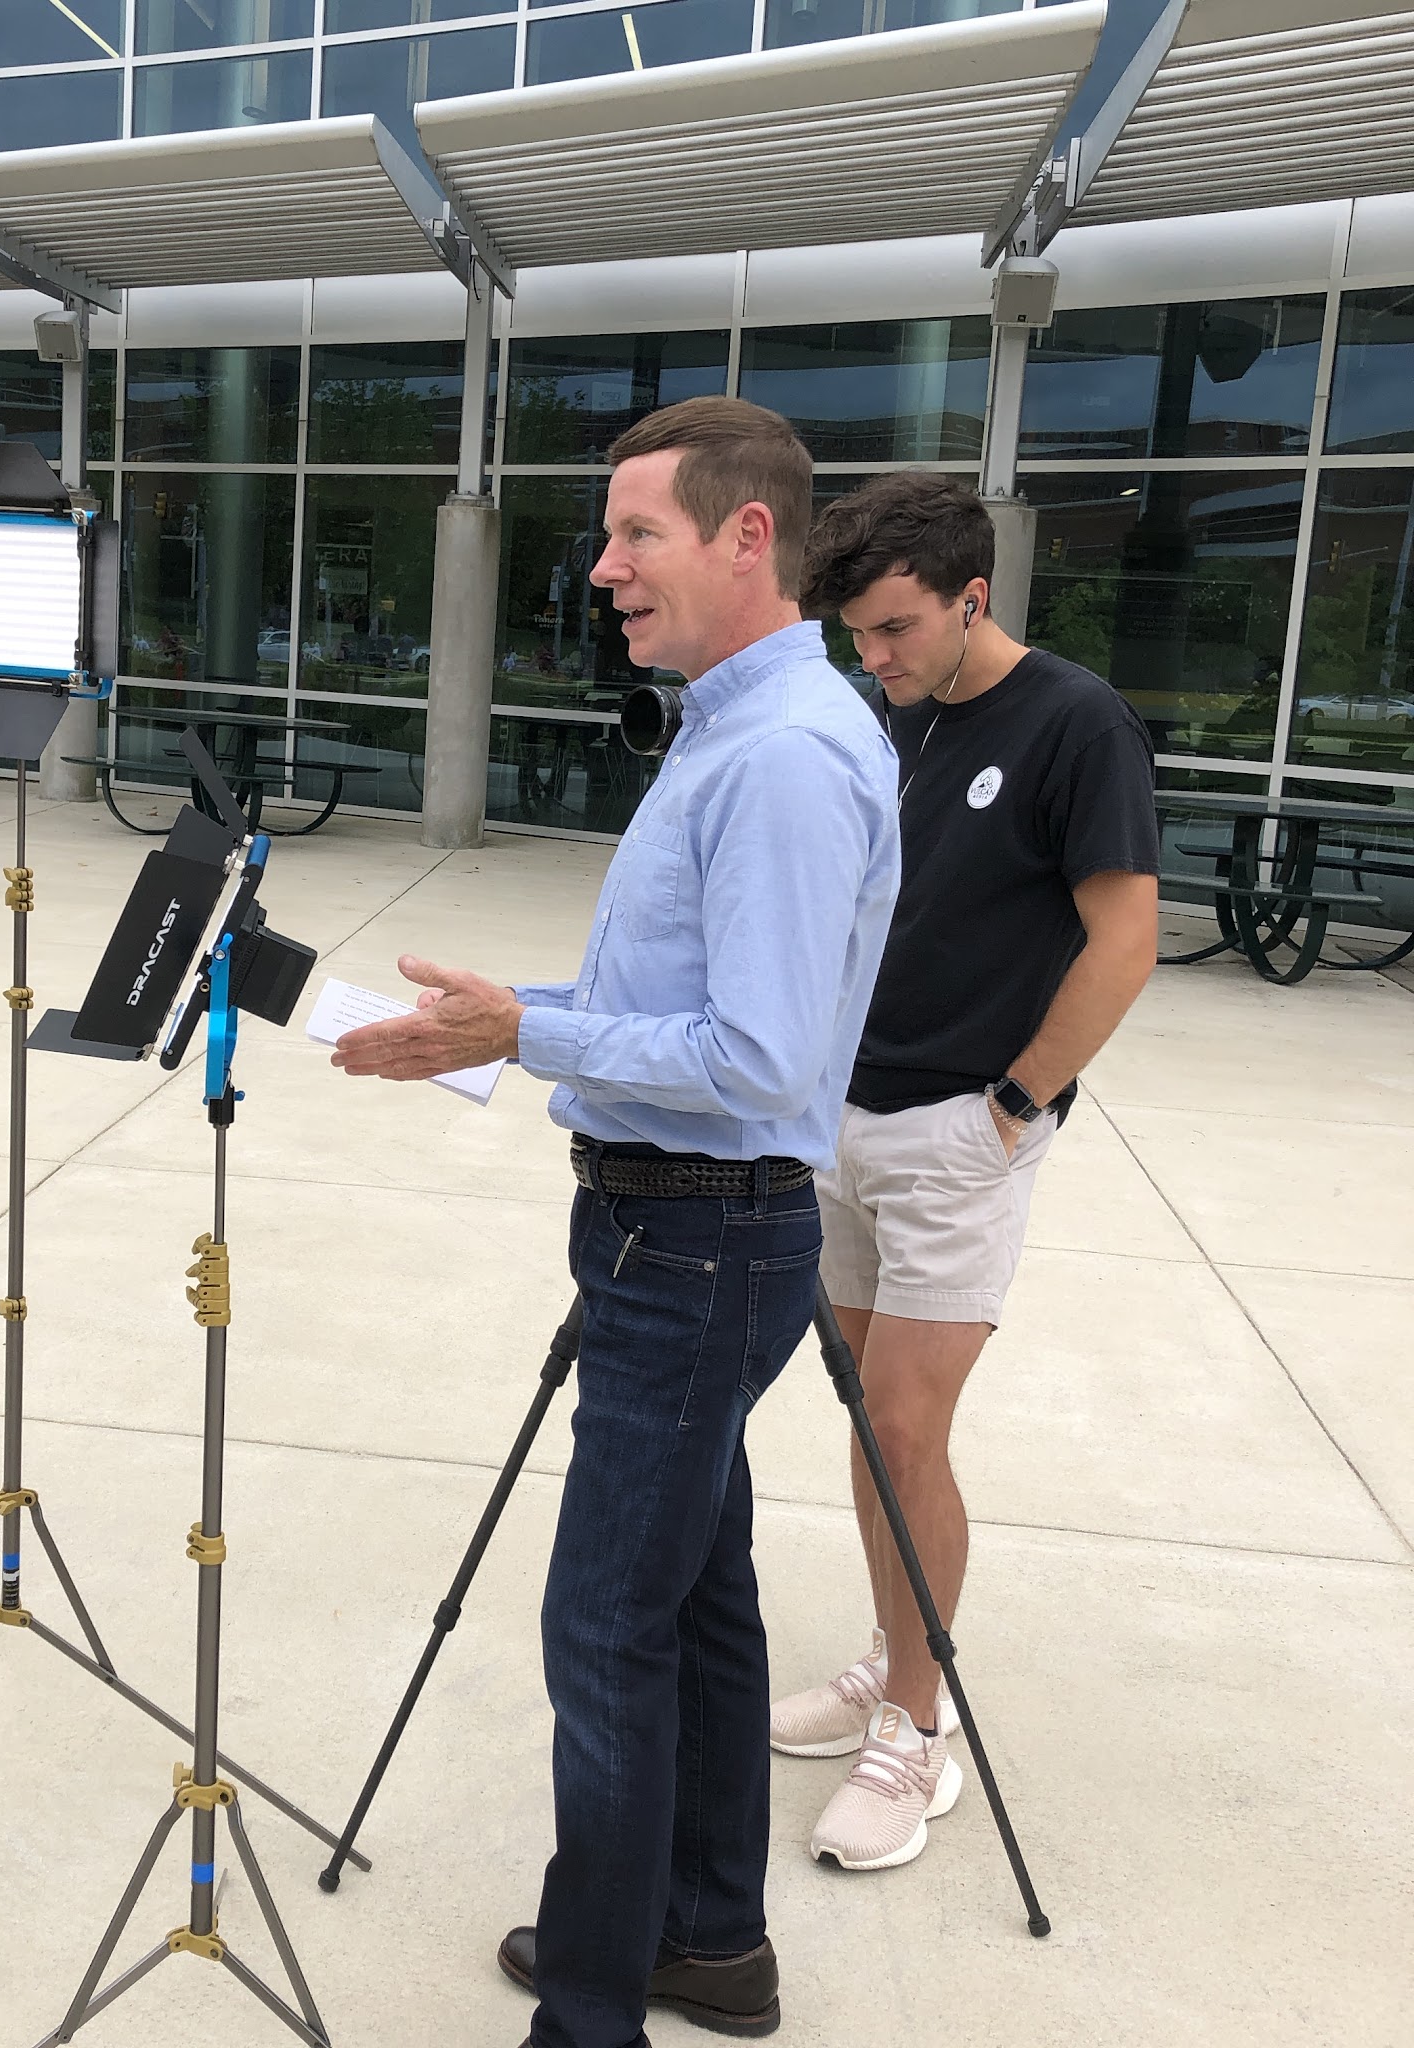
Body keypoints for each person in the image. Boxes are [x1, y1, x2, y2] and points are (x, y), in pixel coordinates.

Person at [332, 396, 900, 2048]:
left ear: (748, 536)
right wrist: (506, 1023)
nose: (603, 569)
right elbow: (680, 1004)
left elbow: (760, 1057)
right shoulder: (735, 729)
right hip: (688, 1233)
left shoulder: (781, 756)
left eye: (639, 533)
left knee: (604, 1630)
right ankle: (707, 1941)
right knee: (697, 1597)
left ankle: (591, 2017)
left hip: (698, 1242)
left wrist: (530, 1034)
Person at [775, 472, 1158, 1873]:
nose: (874, 657)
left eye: (896, 629)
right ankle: (894, 1657)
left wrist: (1013, 1104)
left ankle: (917, 1731)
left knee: (908, 1427)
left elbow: (1125, 936)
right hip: (843, 1118)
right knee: (867, 1423)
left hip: (959, 1134)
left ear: (971, 598)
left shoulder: (1076, 722)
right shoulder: (892, 717)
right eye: (858, 636)